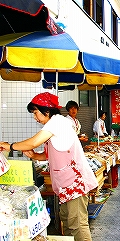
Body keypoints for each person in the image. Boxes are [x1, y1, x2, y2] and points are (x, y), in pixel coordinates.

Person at [0, 92, 98, 240]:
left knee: (77, 225)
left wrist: (10, 146)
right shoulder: (55, 124)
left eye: (35, 112)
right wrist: (35, 156)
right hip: (67, 185)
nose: (35, 117)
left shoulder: (57, 122)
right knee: (67, 220)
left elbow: (33, 142)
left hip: (75, 184)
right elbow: (51, 154)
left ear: (46, 111)